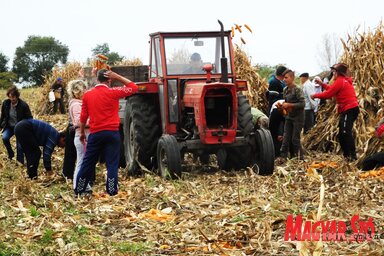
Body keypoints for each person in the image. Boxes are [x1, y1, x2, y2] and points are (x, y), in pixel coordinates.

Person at [74, 69, 138, 196]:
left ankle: (79, 189)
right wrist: (117, 76)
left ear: (97, 79)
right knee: (112, 164)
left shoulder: (87, 95)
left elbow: (83, 117)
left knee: (88, 163)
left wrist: (81, 133)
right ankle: (112, 190)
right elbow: (133, 87)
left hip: (95, 133)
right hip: (112, 133)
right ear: (109, 80)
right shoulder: (113, 92)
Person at [312, 63, 359, 161]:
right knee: (342, 134)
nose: (333, 73)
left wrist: (315, 95)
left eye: (334, 71)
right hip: (349, 109)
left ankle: (353, 156)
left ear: (338, 73)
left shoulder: (340, 81)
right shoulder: (341, 81)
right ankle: (347, 156)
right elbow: (332, 89)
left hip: (349, 109)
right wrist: (322, 84)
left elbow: (328, 94)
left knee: (346, 132)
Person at [67, 80, 92, 191]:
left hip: (84, 136)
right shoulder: (76, 105)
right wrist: (93, 122)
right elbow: (78, 122)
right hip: (82, 137)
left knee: (84, 162)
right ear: (77, 92)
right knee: (81, 161)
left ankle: (84, 185)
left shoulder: (79, 103)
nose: (85, 93)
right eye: (83, 91)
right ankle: (78, 186)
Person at [0, 86, 33, 164]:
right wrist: (0, 126)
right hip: (9, 127)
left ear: (17, 96)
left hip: (20, 128)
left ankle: (20, 162)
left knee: (19, 145)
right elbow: (3, 116)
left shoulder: (23, 105)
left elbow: (29, 118)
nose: (12, 99)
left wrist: (27, 128)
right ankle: (11, 154)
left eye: (13, 97)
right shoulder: (6, 103)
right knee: (4, 138)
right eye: (10, 97)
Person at [279, 69, 305, 160]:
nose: (284, 80)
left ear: (292, 78)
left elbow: (302, 104)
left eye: (286, 78)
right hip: (289, 117)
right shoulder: (285, 89)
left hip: (298, 117)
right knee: (286, 138)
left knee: (295, 139)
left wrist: (289, 105)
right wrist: (283, 107)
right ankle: (283, 157)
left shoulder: (297, 89)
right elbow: (286, 102)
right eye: (283, 78)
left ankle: (300, 158)